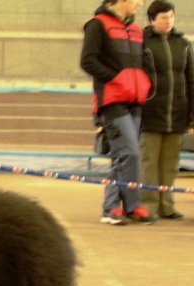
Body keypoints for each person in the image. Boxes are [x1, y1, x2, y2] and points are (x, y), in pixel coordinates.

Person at [81, 0, 155, 226]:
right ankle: (116, 207)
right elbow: (88, 61)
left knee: (123, 155)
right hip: (112, 100)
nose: (140, 4)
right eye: (136, 0)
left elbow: (142, 62)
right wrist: (116, 78)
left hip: (135, 100)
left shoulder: (136, 29)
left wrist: (145, 83)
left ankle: (125, 207)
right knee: (129, 153)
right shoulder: (97, 25)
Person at [140, 0, 194, 221]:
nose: (168, 21)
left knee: (170, 163)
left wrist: (191, 115)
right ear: (152, 20)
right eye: (163, 17)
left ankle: (167, 205)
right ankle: (149, 206)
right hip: (150, 112)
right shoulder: (141, 43)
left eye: (170, 17)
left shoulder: (184, 44)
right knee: (149, 162)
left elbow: (191, 79)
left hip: (178, 114)